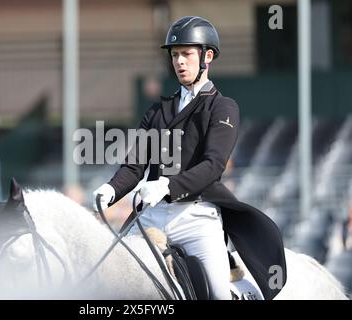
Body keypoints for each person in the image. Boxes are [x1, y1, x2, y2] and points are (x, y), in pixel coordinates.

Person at [93, 16, 286, 300]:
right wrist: (111, 189)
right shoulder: (158, 111)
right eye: (174, 55)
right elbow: (135, 165)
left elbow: (213, 165)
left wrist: (166, 187)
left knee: (219, 295)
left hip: (196, 219)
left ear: (207, 56)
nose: (179, 62)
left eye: (186, 54)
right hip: (152, 217)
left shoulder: (222, 108)